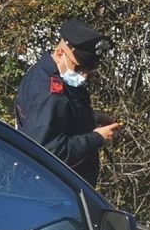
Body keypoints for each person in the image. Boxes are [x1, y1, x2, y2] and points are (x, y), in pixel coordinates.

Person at [15, 19, 121, 186]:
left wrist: (92, 118)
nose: (84, 75)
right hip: (51, 192)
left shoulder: (48, 72)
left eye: (89, 70)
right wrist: (97, 138)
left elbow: (59, 119)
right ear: (59, 54)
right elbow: (47, 150)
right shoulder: (50, 92)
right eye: (79, 68)